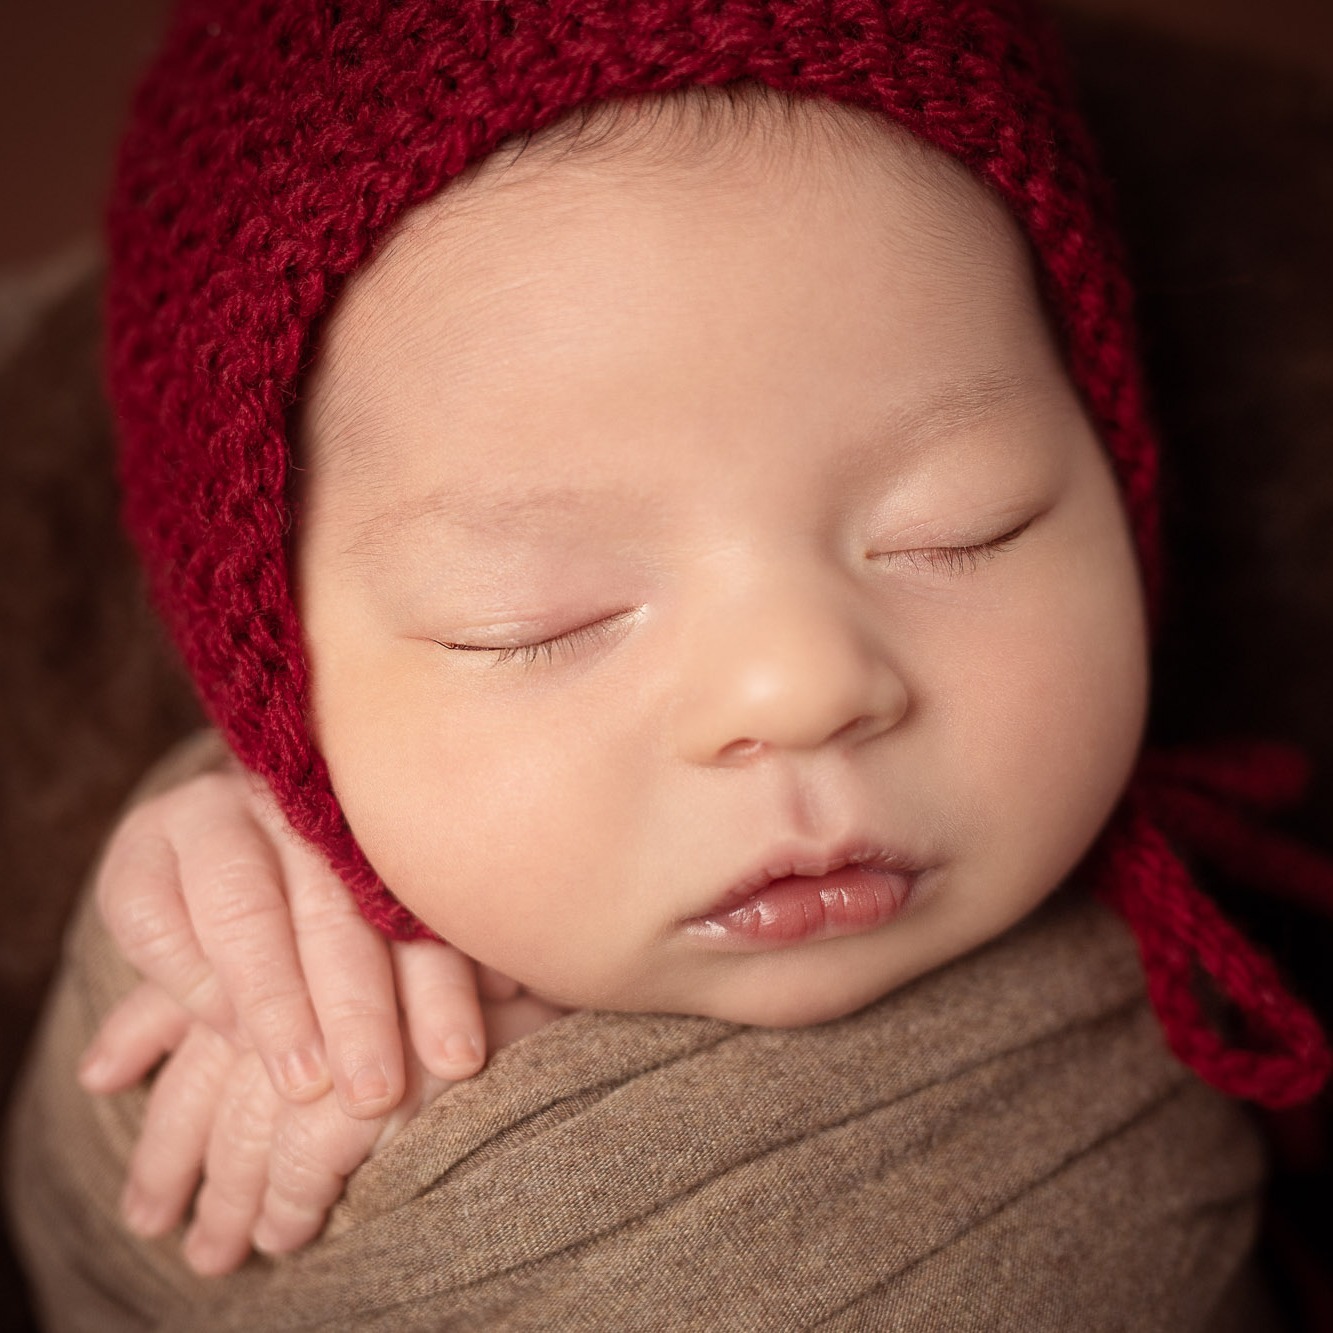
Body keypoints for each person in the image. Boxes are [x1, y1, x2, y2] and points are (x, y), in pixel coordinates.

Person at [5, 0, 1328, 1326]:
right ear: (278, 703)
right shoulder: (224, 964)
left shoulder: (1161, 1048)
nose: (798, 686)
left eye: (959, 529)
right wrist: (234, 882)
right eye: (537, 621)